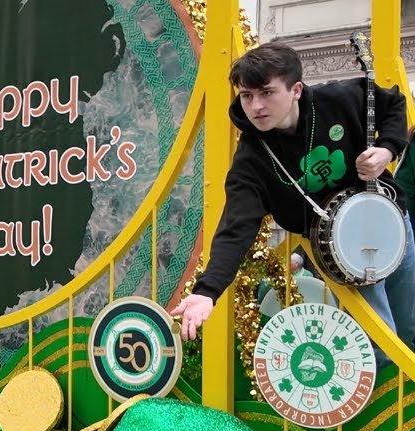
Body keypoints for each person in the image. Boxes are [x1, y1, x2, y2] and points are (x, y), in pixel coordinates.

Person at [172, 43, 412, 369]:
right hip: (337, 254)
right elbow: (236, 228)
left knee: (411, 329)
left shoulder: (338, 100)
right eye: (246, 96)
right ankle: (385, 418)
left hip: (391, 225)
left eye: (266, 93)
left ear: (296, 89)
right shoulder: (251, 160)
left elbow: (393, 102)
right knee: (379, 348)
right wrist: (207, 291)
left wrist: (387, 149)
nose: (255, 106)